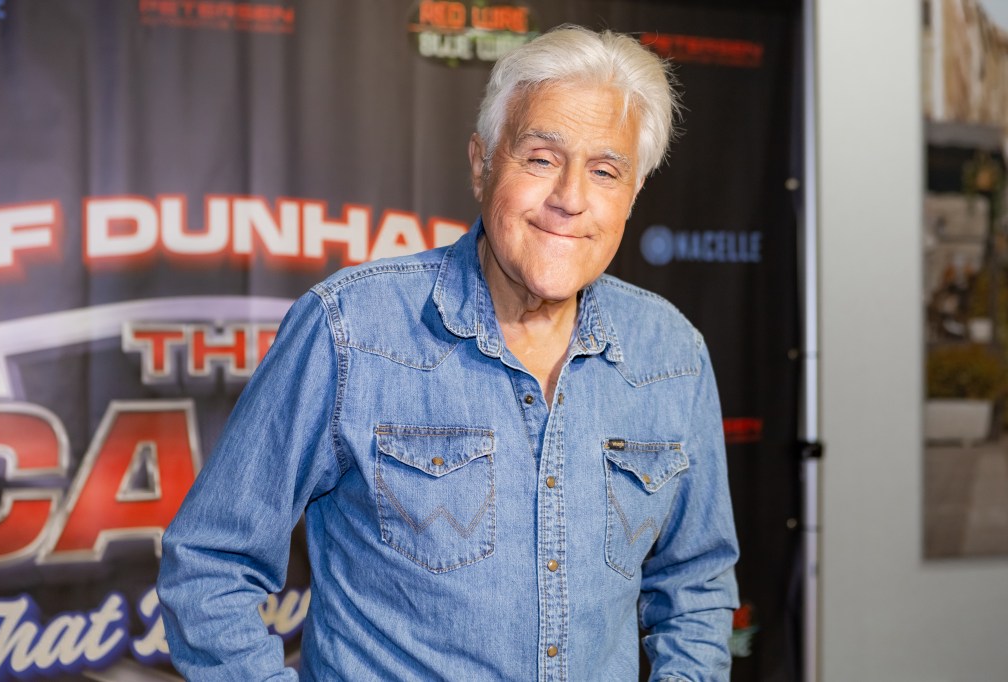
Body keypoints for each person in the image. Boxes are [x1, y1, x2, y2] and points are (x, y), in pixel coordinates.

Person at [157, 24, 739, 681]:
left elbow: (696, 580)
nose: (570, 198)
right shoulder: (349, 330)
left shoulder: (672, 353)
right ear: (481, 164)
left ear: (631, 196)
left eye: (605, 171)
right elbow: (209, 562)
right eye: (542, 158)